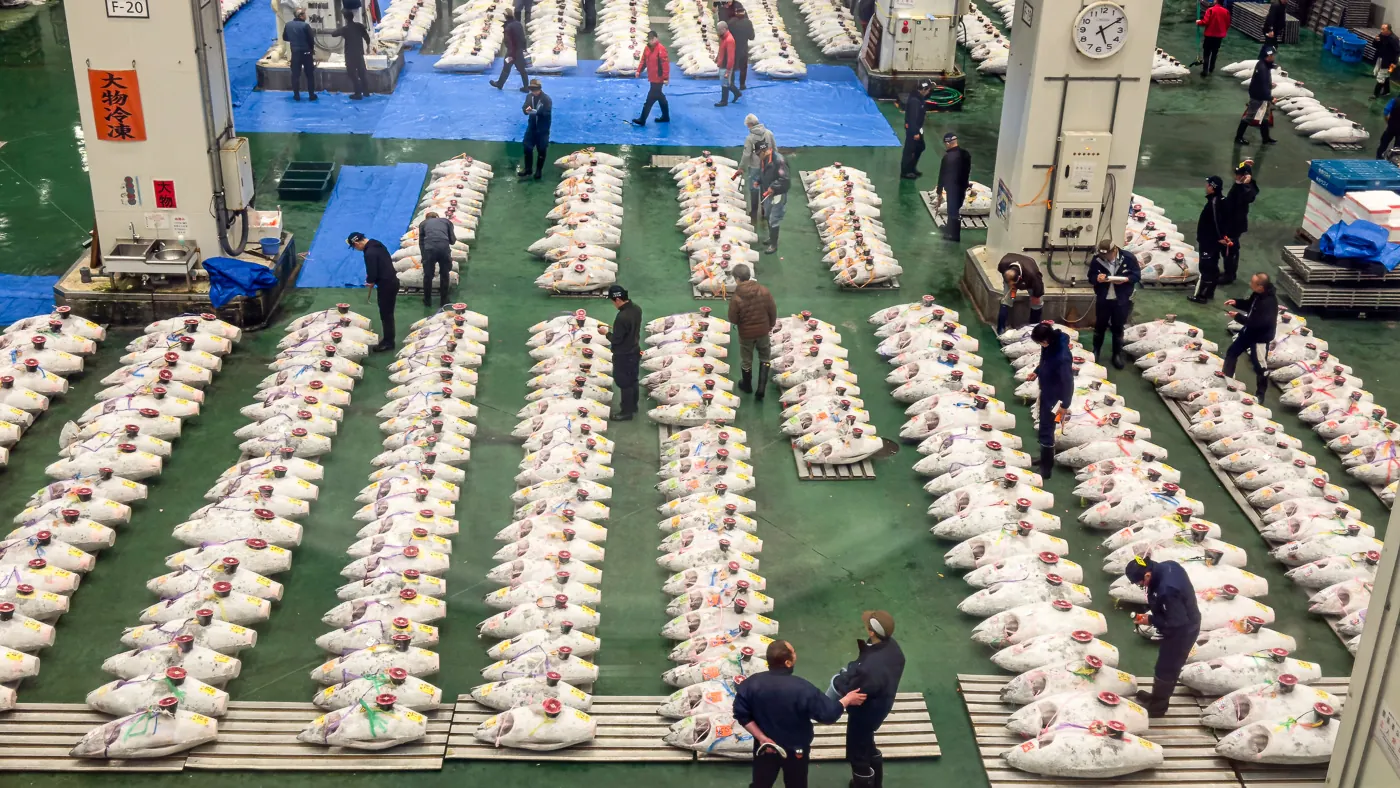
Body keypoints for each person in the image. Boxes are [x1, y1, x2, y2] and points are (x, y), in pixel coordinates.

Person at [733, 640, 866, 788]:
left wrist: (762, 738)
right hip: (796, 750)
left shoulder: (752, 684)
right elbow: (828, 714)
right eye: (794, 652)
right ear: (788, 663)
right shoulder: (803, 689)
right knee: (796, 783)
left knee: (761, 783)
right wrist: (847, 699)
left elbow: (740, 713)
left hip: (766, 748)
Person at [831, 611, 905, 788]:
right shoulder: (893, 649)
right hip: (881, 706)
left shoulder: (870, 668)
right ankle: (876, 782)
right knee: (867, 742)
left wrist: (840, 679)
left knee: (858, 753)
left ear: (872, 632)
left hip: (864, 714)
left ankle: (862, 781)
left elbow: (853, 689)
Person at [1125, 557, 1202, 718]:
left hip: (1182, 631)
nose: (1140, 586)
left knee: (1166, 668)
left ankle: (1158, 707)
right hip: (1181, 618)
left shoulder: (1167, 590)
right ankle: (1156, 697)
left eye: (1139, 583)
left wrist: (1150, 619)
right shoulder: (1168, 565)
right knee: (1163, 665)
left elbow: (1175, 622)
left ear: (1147, 575)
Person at [1223, 273, 1279, 400]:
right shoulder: (1258, 294)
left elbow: (1257, 323)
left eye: (1252, 283)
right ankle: (1226, 380)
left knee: (1260, 367)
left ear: (1260, 287)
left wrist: (1237, 317)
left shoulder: (1269, 303)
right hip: (1248, 332)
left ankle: (1260, 395)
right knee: (1231, 353)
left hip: (1259, 338)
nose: (1249, 284)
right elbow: (1249, 305)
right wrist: (1236, 302)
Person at [1087, 239, 1140, 369]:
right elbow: (1091, 276)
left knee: (1118, 327)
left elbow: (1137, 275)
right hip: (1104, 299)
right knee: (1100, 326)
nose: (1105, 258)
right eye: (1102, 255)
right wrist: (1097, 279)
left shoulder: (1128, 258)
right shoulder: (1097, 260)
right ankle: (1096, 351)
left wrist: (1126, 279)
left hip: (1121, 300)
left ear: (1114, 250)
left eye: (1107, 255)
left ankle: (1117, 354)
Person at [1028, 322, 1071, 479]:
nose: (1040, 345)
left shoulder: (1061, 357)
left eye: (1040, 342)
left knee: (1047, 429)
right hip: (1047, 391)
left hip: (1055, 398)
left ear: (1046, 340)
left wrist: (1065, 405)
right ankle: (1045, 459)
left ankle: (1047, 469)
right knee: (1044, 427)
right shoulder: (1050, 343)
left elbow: (1068, 382)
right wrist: (1037, 372)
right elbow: (1045, 362)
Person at [727, 264, 777, 399]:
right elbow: (772, 310)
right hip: (763, 331)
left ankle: (747, 385)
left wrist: (740, 322)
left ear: (737, 278)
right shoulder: (764, 291)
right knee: (765, 357)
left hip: (746, 334)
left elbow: (733, 318)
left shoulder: (736, 298)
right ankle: (761, 389)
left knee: (746, 360)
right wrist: (770, 325)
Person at [348, 232, 397, 352]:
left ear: (357, 243)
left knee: (386, 314)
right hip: (392, 280)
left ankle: (388, 342)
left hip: (386, 285)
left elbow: (372, 271)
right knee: (388, 313)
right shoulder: (377, 244)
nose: (356, 249)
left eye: (354, 247)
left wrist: (370, 280)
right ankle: (389, 339)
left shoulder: (369, 253)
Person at [1189, 176, 1227, 304]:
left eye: (1208, 185)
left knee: (1207, 267)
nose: (1206, 187)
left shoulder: (1214, 203)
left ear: (1212, 187)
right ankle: (1209, 292)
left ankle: (1202, 296)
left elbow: (1217, 222)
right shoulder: (1218, 201)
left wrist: (1221, 238)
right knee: (1212, 267)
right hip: (1211, 241)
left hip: (1209, 242)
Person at [1221, 160, 1259, 285]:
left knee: (1230, 250)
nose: (1236, 176)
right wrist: (1244, 164)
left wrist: (1246, 183)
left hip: (1234, 225)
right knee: (1227, 249)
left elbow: (1248, 196)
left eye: (1239, 174)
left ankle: (1229, 275)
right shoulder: (1239, 184)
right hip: (1229, 221)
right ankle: (1228, 271)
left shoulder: (1246, 189)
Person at [608, 285, 642, 420]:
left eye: (612, 301)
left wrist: (606, 334)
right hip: (635, 350)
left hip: (624, 355)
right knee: (633, 379)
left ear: (617, 300)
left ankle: (626, 412)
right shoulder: (636, 309)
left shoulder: (622, 317)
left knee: (624, 382)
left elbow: (616, 340)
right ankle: (633, 406)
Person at [737, 114, 775, 221]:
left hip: (755, 166)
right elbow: (775, 149)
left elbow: (746, 154)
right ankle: (765, 209)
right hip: (767, 165)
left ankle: (754, 211)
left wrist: (741, 168)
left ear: (750, 125)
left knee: (754, 187)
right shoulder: (769, 133)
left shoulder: (750, 138)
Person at [935, 132, 972, 241]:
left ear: (947, 143)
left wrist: (939, 191)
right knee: (955, 208)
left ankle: (954, 235)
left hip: (952, 188)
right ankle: (949, 229)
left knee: (952, 210)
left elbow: (942, 175)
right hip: (962, 186)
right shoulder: (966, 154)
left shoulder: (947, 158)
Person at [1235, 49, 1277, 146]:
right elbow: (1262, 86)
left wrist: (1269, 84)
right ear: (1268, 56)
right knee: (1249, 117)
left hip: (1262, 96)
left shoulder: (1262, 64)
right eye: (1272, 56)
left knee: (1265, 117)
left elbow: (1263, 83)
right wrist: (1271, 98)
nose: (1274, 57)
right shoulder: (1262, 68)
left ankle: (1266, 138)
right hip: (1258, 97)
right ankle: (1238, 137)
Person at [995, 253, 1044, 333]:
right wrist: (1012, 287)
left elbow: (1039, 286)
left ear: (1019, 278)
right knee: (1007, 300)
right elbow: (1008, 279)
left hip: (1030, 282)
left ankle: (1033, 329)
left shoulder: (1032, 274)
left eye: (1013, 284)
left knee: (1037, 304)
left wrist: (1036, 296)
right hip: (1013, 277)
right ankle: (1000, 329)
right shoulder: (1003, 265)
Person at [755, 140, 790, 254]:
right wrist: (759, 181)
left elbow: (785, 179)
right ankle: (771, 238)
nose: (757, 156)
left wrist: (773, 187)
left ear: (765, 151)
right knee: (768, 216)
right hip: (768, 193)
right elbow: (763, 173)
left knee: (774, 220)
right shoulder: (764, 159)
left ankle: (774, 245)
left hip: (777, 195)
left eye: (758, 153)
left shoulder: (779, 161)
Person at [417, 211, 456, 307]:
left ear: (427, 219)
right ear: (437, 217)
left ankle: (427, 301)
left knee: (428, 275)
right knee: (444, 274)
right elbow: (452, 241)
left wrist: (424, 257)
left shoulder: (422, 224)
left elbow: (421, 243)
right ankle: (444, 300)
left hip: (429, 250)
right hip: (443, 248)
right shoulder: (446, 222)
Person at [632, 31, 671, 126]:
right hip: (652, 77)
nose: (651, 41)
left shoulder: (661, 49)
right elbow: (644, 61)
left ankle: (642, 119)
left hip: (658, 78)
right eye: (650, 40)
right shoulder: (647, 48)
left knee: (650, 99)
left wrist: (665, 78)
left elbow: (665, 64)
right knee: (660, 97)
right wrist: (639, 71)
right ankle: (666, 117)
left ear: (656, 38)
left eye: (652, 39)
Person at [330, 15, 372, 100]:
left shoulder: (345, 29)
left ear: (345, 19)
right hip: (359, 53)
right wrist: (368, 46)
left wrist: (341, 30)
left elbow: (333, 34)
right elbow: (366, 37)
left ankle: (358, 93)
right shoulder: (359, 26)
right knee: (362, 73)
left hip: (350, 55)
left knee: (352, 74)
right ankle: (366, 92)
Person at [489, 8, 529, 92]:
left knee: (506, 68)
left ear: (505, 16)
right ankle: (526, 87)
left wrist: (511, 53)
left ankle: (500, 84)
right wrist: (524, 48)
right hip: (519, 51)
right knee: (522, 70)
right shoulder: (518, 24)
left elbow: (509, 42)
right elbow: (523, 37)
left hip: (512, 52)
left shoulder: (508, 27)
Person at [519, 79, 552, 180]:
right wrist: (526, 110)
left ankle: (539, 170)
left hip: (543, 129)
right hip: (532, 127)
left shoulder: (546, 99)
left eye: (535, 89)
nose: (534, 91)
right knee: (527, 147)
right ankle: (528, 169)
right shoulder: (529, 97)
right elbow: (524, 107)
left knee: (541, 149)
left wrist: (536, 112)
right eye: (532, 89)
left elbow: (547, 113)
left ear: (540, 89)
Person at [282, 9, 318, 102]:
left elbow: (285, 37)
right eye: (305, 14)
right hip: (306, 53)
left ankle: (296, 95)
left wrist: (294, 40)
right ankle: (311, 95)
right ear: (301, 16)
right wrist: (311, 50)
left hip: (295, 53)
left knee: (295, 75)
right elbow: (311, 40)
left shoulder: (288, 25)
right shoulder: (305, 26)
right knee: (309, 75)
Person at [900, 81, 931, 180]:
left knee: (920, 147)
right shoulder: (915, 101)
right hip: (913, 130)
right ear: (923, 90)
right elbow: (913, 118)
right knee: (909, 150)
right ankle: (905, 171)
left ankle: (912, 168)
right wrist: (915, 133)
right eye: (928, 90)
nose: (929, 92)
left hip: (917, 128)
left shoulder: (919, 98)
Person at [1196, 0, 1229, 77]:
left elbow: (1205, 22)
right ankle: (1211, 68)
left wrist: (1198, 22)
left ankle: (1205, 71)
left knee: (1206, 54)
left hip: (1209, 36)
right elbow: (1227, 24)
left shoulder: (1210, 10)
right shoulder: (1226, 12)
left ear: (1216, 1)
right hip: (1219, 37)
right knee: (1214, 53)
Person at [715, 21, 742, 106]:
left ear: (724, 29)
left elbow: (731, 57)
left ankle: (724, 101)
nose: (718, 32)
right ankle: (737, 93)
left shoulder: (729, 40)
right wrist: (717, 58)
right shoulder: (723, 38)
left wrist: (728, 71)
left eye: (719, 30)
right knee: (726, 83)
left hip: (725, 65)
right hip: (722, 63)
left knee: (725, 84)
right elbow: (721, 50)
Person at [729, 8, 755, 91]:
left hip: (733, 48)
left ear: (736, 13)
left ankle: (731, 83)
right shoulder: (748, 23)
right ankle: (742, 84)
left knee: (732, 67)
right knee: (743, 67)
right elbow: (752, 37)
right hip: (743, 48)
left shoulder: (730, 23)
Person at [1376, 23, 1399, 98]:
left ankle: (1375, 94)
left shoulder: (1394, 39)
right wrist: (1376, 41)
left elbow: (1397, 51)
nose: (1381, 31)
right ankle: (1386, 91)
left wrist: (1394, 63)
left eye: (1383, 29)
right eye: (1381, 29)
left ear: (1388, 30)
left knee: (1381, 77)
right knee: (1385, 75)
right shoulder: (1382, 35)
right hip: (1381, 58)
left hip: (1388, 61)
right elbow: (1376, 45)